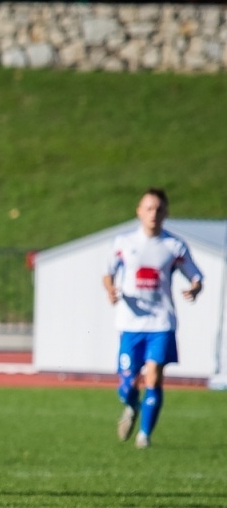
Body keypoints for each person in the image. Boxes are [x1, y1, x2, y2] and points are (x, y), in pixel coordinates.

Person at [101, 188, 203, 449]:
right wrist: (111, 289)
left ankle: (144, 435)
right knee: (127, 382)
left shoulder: (174, 246)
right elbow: (107, 273)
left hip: (160, 323)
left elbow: (195, 275)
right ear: (139, 211)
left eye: (159, 209)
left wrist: (194, 287)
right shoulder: (124, 243)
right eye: (148, 208)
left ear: (166, 213)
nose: (153, 214)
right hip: (130, 323)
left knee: (154, 377)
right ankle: (131, 405)